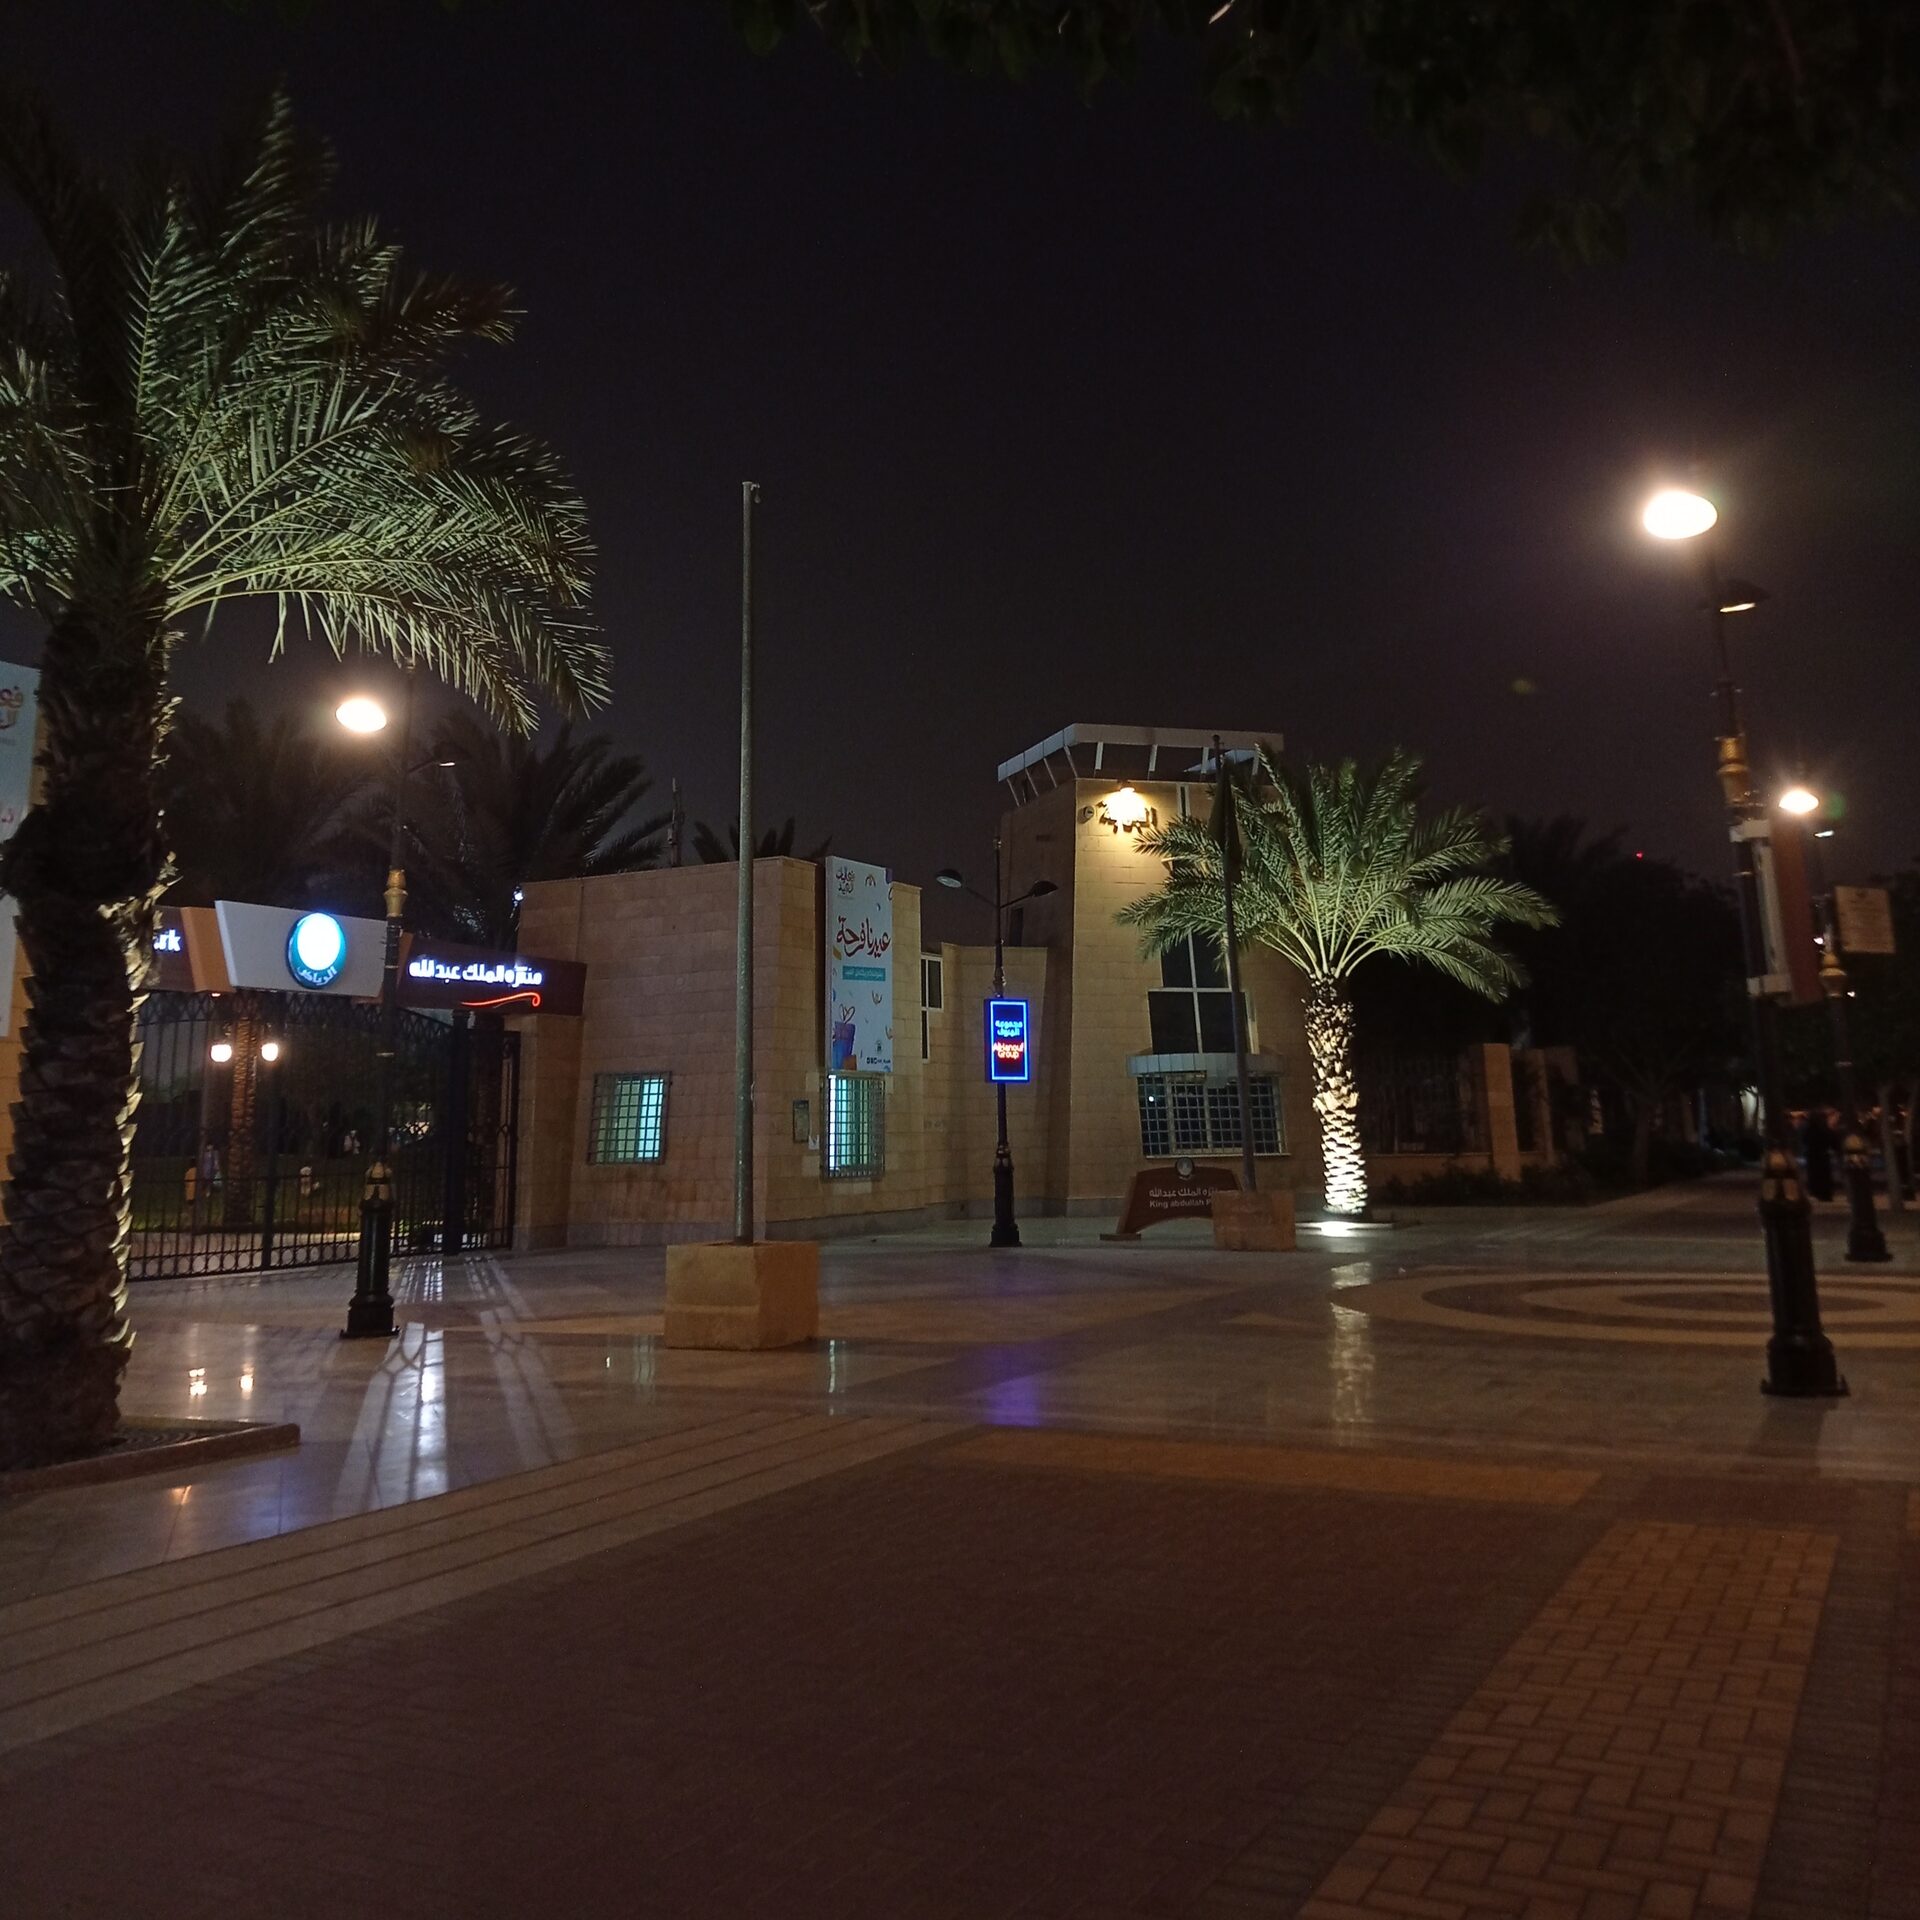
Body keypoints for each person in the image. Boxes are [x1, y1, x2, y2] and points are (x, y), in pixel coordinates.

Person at [1803, 1107, 1837, 1202]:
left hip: (1813, 1155)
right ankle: (1825, 1194)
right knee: (1824, 1175)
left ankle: (1816, 1192)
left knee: (1815, 1175)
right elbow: (1833, 1141)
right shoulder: (1825, 1129)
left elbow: (1805, 1140)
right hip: (1823, 1155)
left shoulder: (1809, 1129)